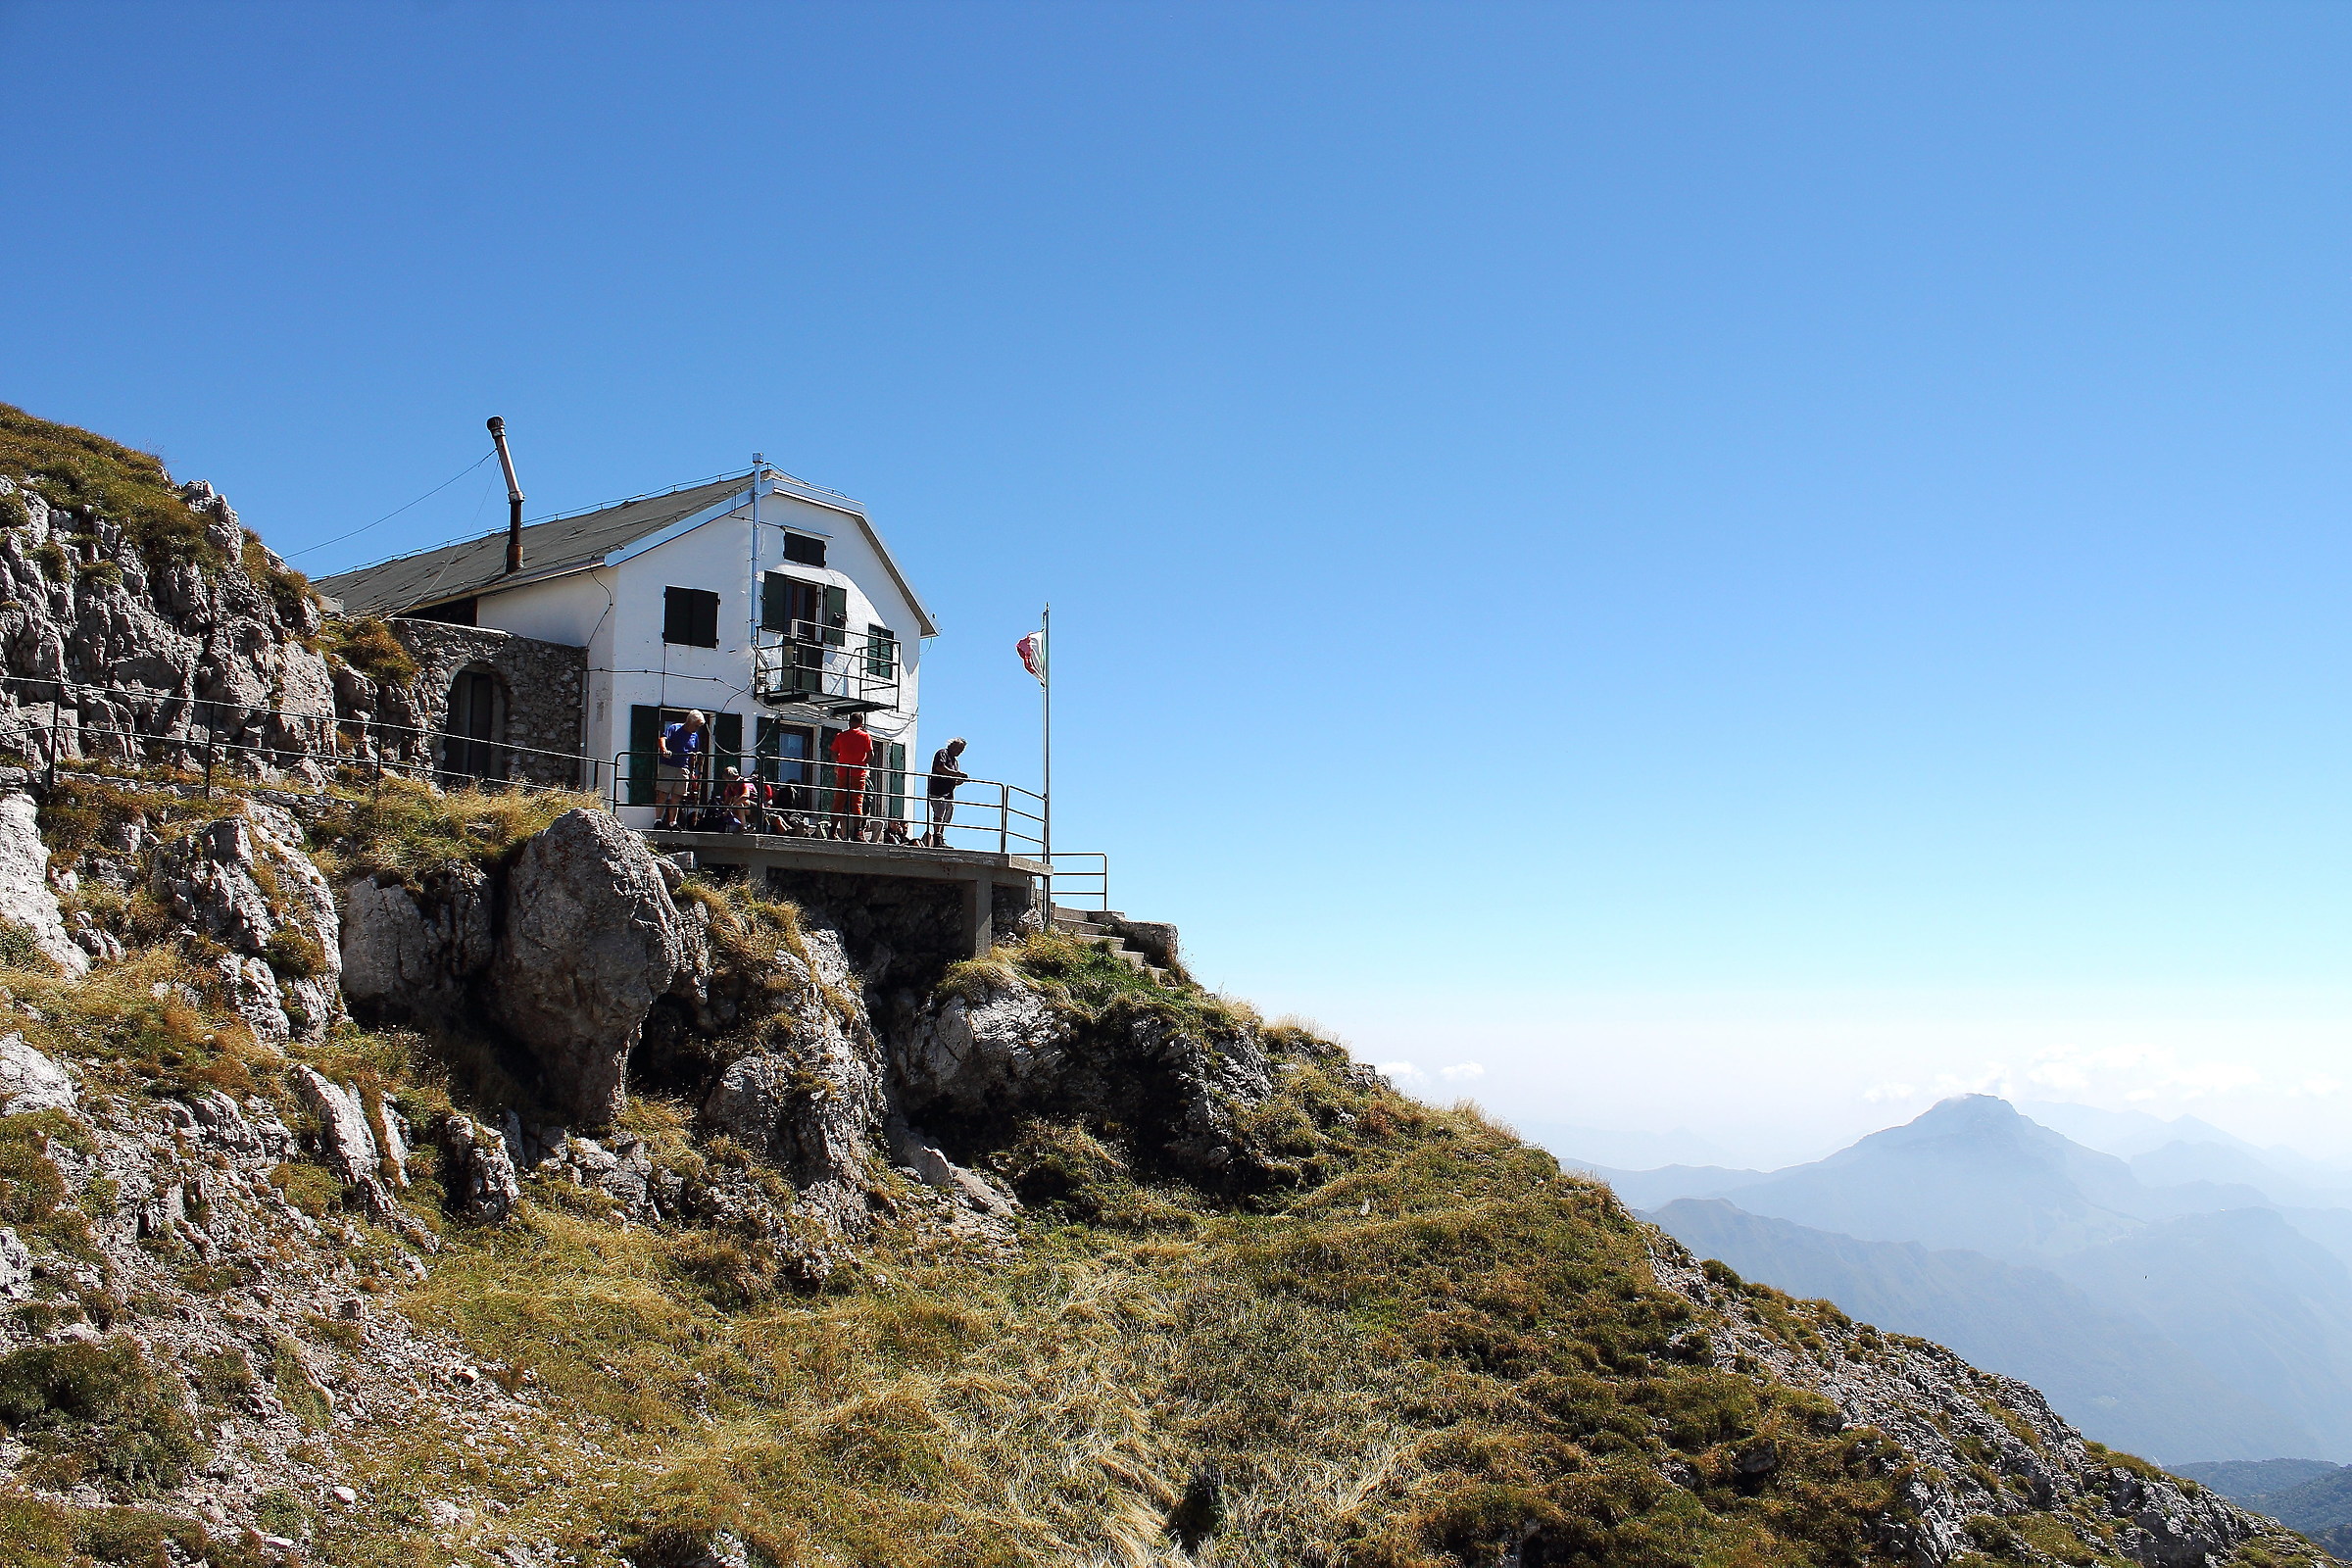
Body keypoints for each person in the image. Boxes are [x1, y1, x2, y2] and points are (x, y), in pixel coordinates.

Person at [828, 711, 877, 841]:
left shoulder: (841, 736)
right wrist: (863, 763)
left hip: (843, 772)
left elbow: (833, 752)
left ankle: (832, 831)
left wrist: (840, 762)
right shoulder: (865, 736)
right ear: (861, 723)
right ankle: (857, 832)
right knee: (857, 803)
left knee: (838, 802)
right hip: (858, 774)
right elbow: (871, 755)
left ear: (850, 722)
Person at [655, 710, 708, 828]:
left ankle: (672, 822)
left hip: (683, 768)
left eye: (699, 726)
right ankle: (658, 820)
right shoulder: (674, 728)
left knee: (677, 796)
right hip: (668, 766)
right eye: (696, 725)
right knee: (663, 793)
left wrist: (692, 770)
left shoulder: (695, 736)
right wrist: (664, 750)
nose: (696, 728)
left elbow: (694, 753)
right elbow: (662, 739)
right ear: (689, 722)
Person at [924, 737, 967, 848]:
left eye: (961, 750)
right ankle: (937, 837)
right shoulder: (942, 753)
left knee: (947, 813)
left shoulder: (955, 762)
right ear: (952, 745)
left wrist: (959, 781)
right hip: (938, 790)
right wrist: (957, 774)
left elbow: (952, 778)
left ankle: (940, 836)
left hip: (948, 793)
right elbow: (940, 767)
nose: (959, 752)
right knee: (939, 812)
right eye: (959, 748)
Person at [716, 766, 757, 832]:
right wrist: (724, 810)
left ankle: (744, 827)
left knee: (737, 799)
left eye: (730, 780)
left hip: (755, 808)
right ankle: (747, 824)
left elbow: (746, 796)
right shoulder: (730, 786)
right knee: (731, 809)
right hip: (743, 808)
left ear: (736, 777)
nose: (728, 783)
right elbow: (727, 802)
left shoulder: (743, 782)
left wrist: (732, 805)